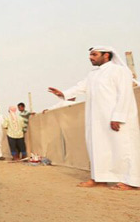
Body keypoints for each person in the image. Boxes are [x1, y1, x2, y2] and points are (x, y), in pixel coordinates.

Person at [49, 46, 140, 190]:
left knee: (122, 148)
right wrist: (63, 93)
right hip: (97, 119)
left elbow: (125, 95)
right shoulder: (93, 74)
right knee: (98, 148)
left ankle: (131, 181)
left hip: (117, 117)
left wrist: (117, 116)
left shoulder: (120, 71)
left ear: (106, 55)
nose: (91, 57)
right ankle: (99, 178)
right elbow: (80, 87)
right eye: (90, 55)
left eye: (94, 54)